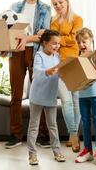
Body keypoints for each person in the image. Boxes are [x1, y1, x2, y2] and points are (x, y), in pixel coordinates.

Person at [3, 0, 52, 149]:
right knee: (16, 93)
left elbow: (43, 35)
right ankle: (15, 135)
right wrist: (5, 46)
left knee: (39, 92)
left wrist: (27, 38)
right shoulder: (15, 7)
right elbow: (7, 30)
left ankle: (43, 135)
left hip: (36, 52)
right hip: (16, 51)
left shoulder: (45, 9)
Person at [50, 0, 83, 152]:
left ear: (67, 2)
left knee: (76, 100)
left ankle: (72, 136)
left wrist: (61, 40)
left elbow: (74, 38)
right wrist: (64, 40)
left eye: (60, 2)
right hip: (60, 65)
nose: (58, 6)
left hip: (75, 63)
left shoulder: (77, 19)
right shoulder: (54, 21)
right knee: (66, 101)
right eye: (55, 4)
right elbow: (53, 41)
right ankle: (74, 134)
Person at [27, 30, 65, 165]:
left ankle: (57, 152)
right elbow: (36, 73)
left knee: (52, 126)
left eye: (58, 44)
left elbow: (59, 74)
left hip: (50, 97)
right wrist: (47, 71)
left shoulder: (57, 57)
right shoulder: (39, 55)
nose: (56, 46)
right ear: (45, 43)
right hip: (37, 97)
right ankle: (32, 154)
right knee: (34, 126)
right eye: (54, 43)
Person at [74, 28, 96, 165]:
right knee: (85, 123)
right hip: (83, 95)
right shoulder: (78, 59)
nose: (82, 44)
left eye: (84, 41)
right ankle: (87, 150)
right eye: (79, 42)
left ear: (91, 39)